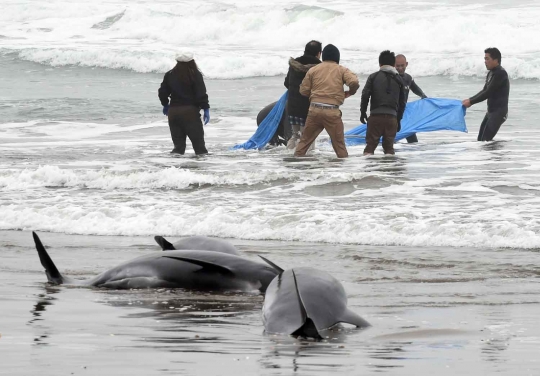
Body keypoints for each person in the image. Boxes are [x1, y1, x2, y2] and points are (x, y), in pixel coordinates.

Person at [294, 44, 359, 158]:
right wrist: (350, 92)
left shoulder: (313, 70)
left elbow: (303, 90)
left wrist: (315, 95)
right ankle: (345, 173)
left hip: (314, 110)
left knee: (303, 144)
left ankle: (295, 169)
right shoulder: (342, 70)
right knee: (339, 146)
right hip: (332, 112)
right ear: (337, 58)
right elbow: (354, 82)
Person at [158, 52, 210, 155]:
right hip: (190, 113)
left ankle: (174, 169)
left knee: (178, 149)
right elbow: (201, 94)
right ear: (192, 61)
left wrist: (165, 105)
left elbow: (162, 92)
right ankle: (201, 170)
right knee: (200, 150)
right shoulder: (195, 74)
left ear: (177, 61)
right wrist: (206, 109)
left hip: (174, 113)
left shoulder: (170, 74)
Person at [360, 50, 406, 155]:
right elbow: (402, 102)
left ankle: (368, 170)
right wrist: (398, 119)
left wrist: (363, 112)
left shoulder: (373, 77)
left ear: (380, 63)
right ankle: (389, 169)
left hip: (375, 117)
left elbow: (365, 95)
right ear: (394, 64)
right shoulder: (399, 80)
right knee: (389, 148)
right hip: (391, 118)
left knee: (370, 147)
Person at [462, 47, 510, 141]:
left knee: (484, 141)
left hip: (499, 113)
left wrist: (471, 102)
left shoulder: (501, 73)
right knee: (481, 140)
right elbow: (484, 90)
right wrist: (469, 99)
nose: (485, 61)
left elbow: (488, 93)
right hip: (491, 112)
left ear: (496, 60)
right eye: (485, 59)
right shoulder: (491, 73)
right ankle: (495, 154)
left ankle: (498, 155)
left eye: (487, 59)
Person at [284, 40, 322, 149]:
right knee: (308, 137)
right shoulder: (319, 67)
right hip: (308, 108)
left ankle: (289, 154)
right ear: (318, 53)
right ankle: (308, 160)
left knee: (295, 135)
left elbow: (287, 83)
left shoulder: (294, 64)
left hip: (292, 107)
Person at [395, 54, 427, 143]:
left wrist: (423, 96)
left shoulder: (408, 78)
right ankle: (389, 156)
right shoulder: (391, 78)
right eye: (397, 66)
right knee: (390, 140)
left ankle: (412, 155)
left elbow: (415, 88)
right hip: (392, 114)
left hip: (404, 114)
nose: (400, 68)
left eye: (402, 65)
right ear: (393, 65)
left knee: (413, 141)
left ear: (406, 64)